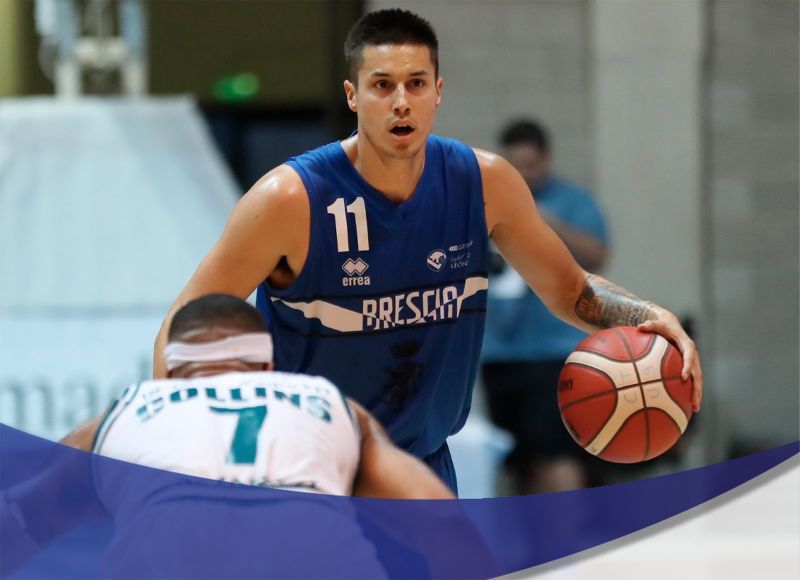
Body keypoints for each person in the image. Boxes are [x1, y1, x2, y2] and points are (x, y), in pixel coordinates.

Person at [152, 9, 703, 494]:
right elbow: (183, 329)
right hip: (306, 473)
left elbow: (570, 290)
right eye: (382, 85)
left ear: (438, 91)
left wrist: (648, 316)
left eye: (416, 84)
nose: (401, 102)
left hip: (420, 468)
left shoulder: (484, 183)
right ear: (352, 95)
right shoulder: (289, 199)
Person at [1, 294, 460, 578]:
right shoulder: (327, 401)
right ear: (268, 367)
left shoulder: (122, 413)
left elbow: (23, 518)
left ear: (171, 374)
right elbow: (437, 516)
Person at [482, 119, 609, 494]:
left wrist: (542, 222)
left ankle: (570, 530)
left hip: (553, 352)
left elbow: (597, 254)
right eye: (516, 165)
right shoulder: (487, 202)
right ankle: (538, 532)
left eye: (531, 164)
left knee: (555, 453)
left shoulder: (571, 201)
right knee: (519, 461)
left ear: (546, 161)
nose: (524, 173)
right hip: (499, 353)